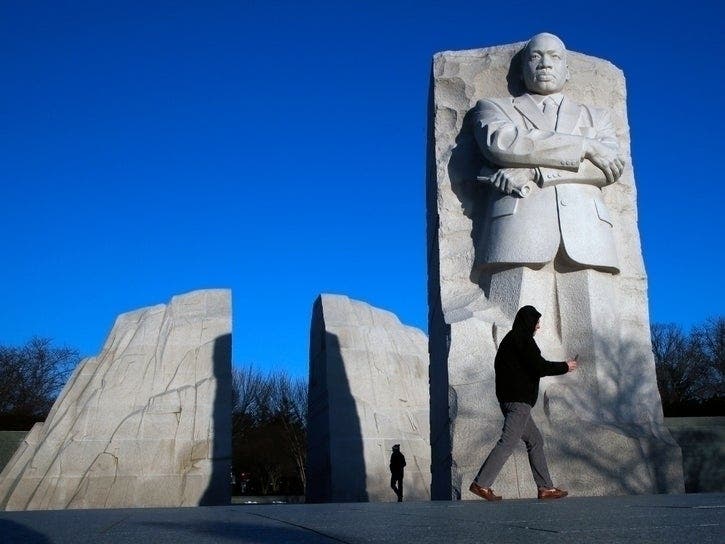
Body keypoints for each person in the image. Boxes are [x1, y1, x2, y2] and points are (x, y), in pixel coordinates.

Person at [472, 32, 627, 417]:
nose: (544, 63)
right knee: (512, 338)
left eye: (554, 57)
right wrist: (584, 147)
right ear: (522, 66)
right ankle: (514, 414)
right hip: (519, 229)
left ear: (567, 68)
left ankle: (597, 418)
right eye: (535, 57)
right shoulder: (495, 107)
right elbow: (502, 144)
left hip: (587, 232)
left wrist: (537, 170)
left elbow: (609, 169)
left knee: (596, 339)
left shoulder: (598, 117)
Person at [469, 305, 578, 501]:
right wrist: (565, 367)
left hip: (512, 401)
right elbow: (539, 366)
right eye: (536, 323)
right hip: (518, 402)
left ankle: (545, 488)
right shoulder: (523, 340)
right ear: (529, 322)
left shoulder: (510, 340)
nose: (538, 327)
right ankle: (481, 483)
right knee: (508, 441)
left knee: (535, 440)